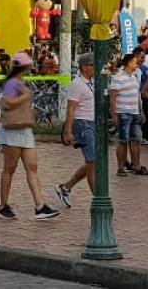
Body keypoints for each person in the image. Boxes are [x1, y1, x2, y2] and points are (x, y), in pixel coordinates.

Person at [0, 52, 59, 220]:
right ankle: (3, 205)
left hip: (24, 129)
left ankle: (40, 206)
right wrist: (25, 96)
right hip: (13, 130)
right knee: (10, 168)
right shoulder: (12, 83)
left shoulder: (19, 82)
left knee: (32, 167)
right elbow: (7, 102)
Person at [57, 52, 96, 208]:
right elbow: (71, 109)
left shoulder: (91, 83)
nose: (94, 68)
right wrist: (68, 131)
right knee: (93, 162)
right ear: (84, 67)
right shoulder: (77, 84)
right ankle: (98, 198)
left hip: (92, 123)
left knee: (92, 163)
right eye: (92, 65)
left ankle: (66, 187)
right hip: (82, 124)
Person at [110, 54, 148, 176]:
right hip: (123, 112)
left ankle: (136, 165)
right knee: (123, 140)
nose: (137, 64)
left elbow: (137, 95)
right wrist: (114, 114)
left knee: (136, 139)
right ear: (129, 63)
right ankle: (121, 167)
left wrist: (140, 111)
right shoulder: (118, 77)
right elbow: (113, 97)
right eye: (135, 62)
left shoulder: (134, 76)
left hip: (134, 112)